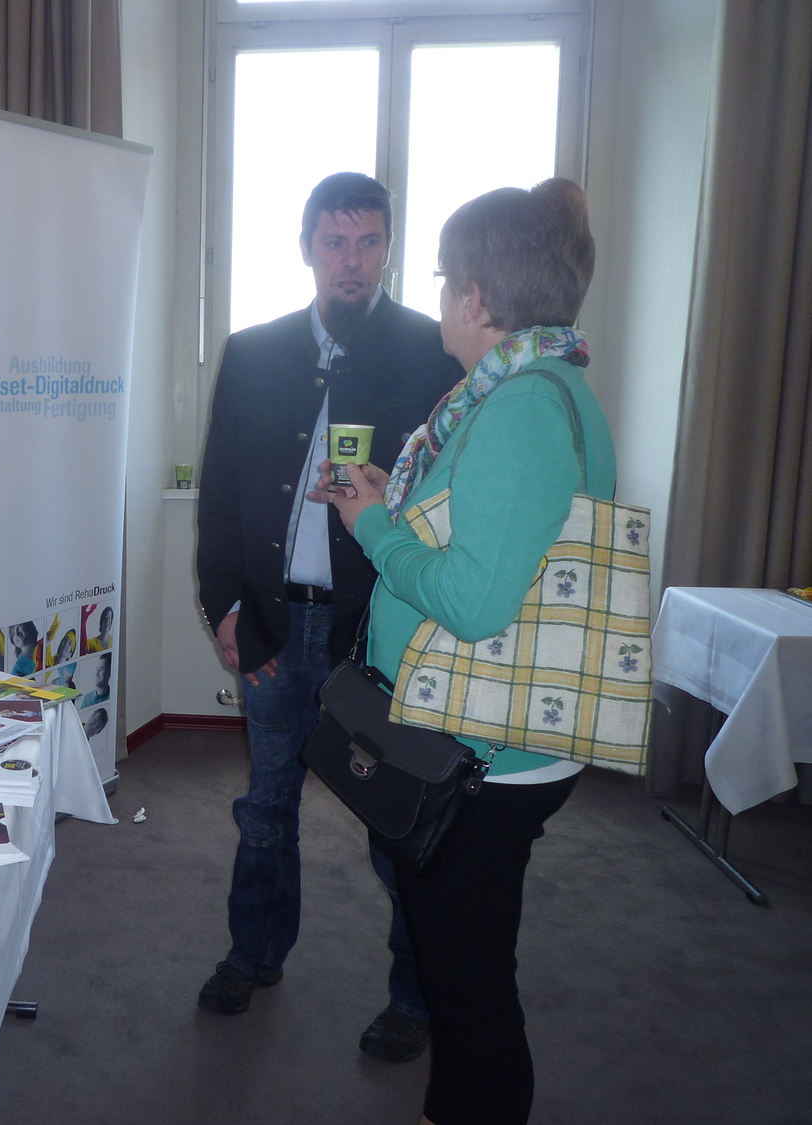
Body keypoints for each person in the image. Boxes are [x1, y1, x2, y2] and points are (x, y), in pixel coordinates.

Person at [325, 178, 606, 1124]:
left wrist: (372, 527)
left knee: (470, 985)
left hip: (486, 753)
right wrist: (393, 506)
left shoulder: (518, 407)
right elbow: (493, 548)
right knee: (460, 970)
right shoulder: (538, 387)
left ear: (478, 299)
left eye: (447, 279)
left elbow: (478, 603)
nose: (440, 296)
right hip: (492, 737)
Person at [195, 172, 463, 1059]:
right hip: (275, 625)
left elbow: (451, 502)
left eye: (369, 242)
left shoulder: (433, 355)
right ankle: (254, 953)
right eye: (336, 241)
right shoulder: (252, 351)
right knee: (265, 806)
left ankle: (416, 998)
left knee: (396, 822)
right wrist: (225, 607)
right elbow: (222, 492)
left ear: (389, 248)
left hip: (377, 635)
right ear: (307, 247)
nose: (353, 260)